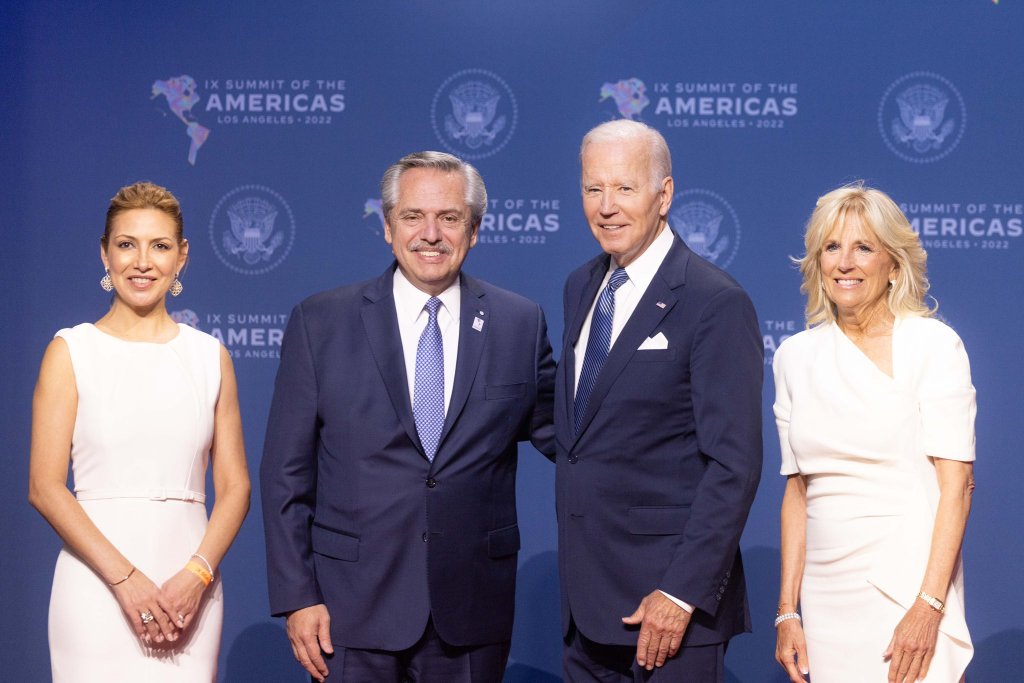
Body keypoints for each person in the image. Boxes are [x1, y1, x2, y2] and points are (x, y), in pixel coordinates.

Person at [260, 151, 555, 683]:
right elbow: (285, 474)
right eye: (414, 216)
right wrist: (297, 596)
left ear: (475, 230)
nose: (431, 234)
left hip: (470, 610)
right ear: (388, 227)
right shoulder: (320, 322)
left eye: (449, 218)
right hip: (348, 610)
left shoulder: (519, 323)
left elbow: (574, 440)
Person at [555, 119, 763, 682]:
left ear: (664, 194)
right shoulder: (581, 286)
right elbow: (582, 431)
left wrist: (679, 592)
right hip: (585, 608)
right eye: (593, 189)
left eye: (624, 188)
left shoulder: (714, 301)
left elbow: (734, 465)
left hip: (668, 610)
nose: (606, 206)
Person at [28, 181, 251, 681]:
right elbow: (44, 487)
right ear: (105, 254)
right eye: (127, 244)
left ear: (182, 257)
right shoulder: (71, 351)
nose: (142, 262)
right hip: (94, 591)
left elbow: (235, 488)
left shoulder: (210, 357)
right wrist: (126, 581)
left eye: (160, 246)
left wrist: (195, 577)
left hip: (190, 592)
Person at [772, 183, 975, 683]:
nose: (845, 262)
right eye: (831, 247)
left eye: (863, 247)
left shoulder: (933, 346)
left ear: (893, 263)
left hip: (908, 588)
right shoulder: (793, 357)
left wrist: (929, 605)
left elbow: (958, 487)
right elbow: (797, 492)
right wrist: (787, 611)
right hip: (824, 598)